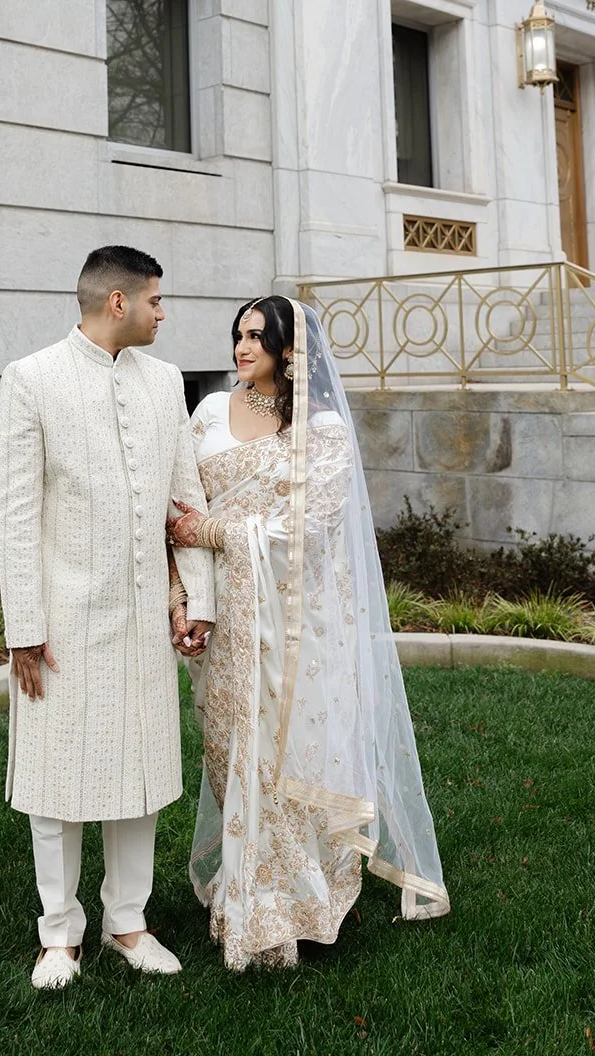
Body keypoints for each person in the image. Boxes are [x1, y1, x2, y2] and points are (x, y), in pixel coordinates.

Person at [166, 294, 450, 971]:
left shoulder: (320, 431)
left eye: (257, 337)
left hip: (293, 626)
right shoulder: (206, 412)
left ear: (290, 351)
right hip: (223, 618)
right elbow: (176, 509)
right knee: (227, 750)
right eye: (237, 334)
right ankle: (243, 885)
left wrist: (208, 531)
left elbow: (307, 530)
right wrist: (185, 598)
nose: (241, 348)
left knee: (280, 761)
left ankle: (280, 907)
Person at [0, 245, 215, 990]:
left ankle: (129, 922)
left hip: (148, 619)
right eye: (156, 299)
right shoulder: (31, 379)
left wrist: (197, 603)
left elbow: (186, 504)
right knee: (57, 782)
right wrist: (23, 624)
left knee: (141, 775)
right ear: (117, 302)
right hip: (60, 625)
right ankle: (58, 935)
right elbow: (15, 515)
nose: (163, 311)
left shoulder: (165, 382)